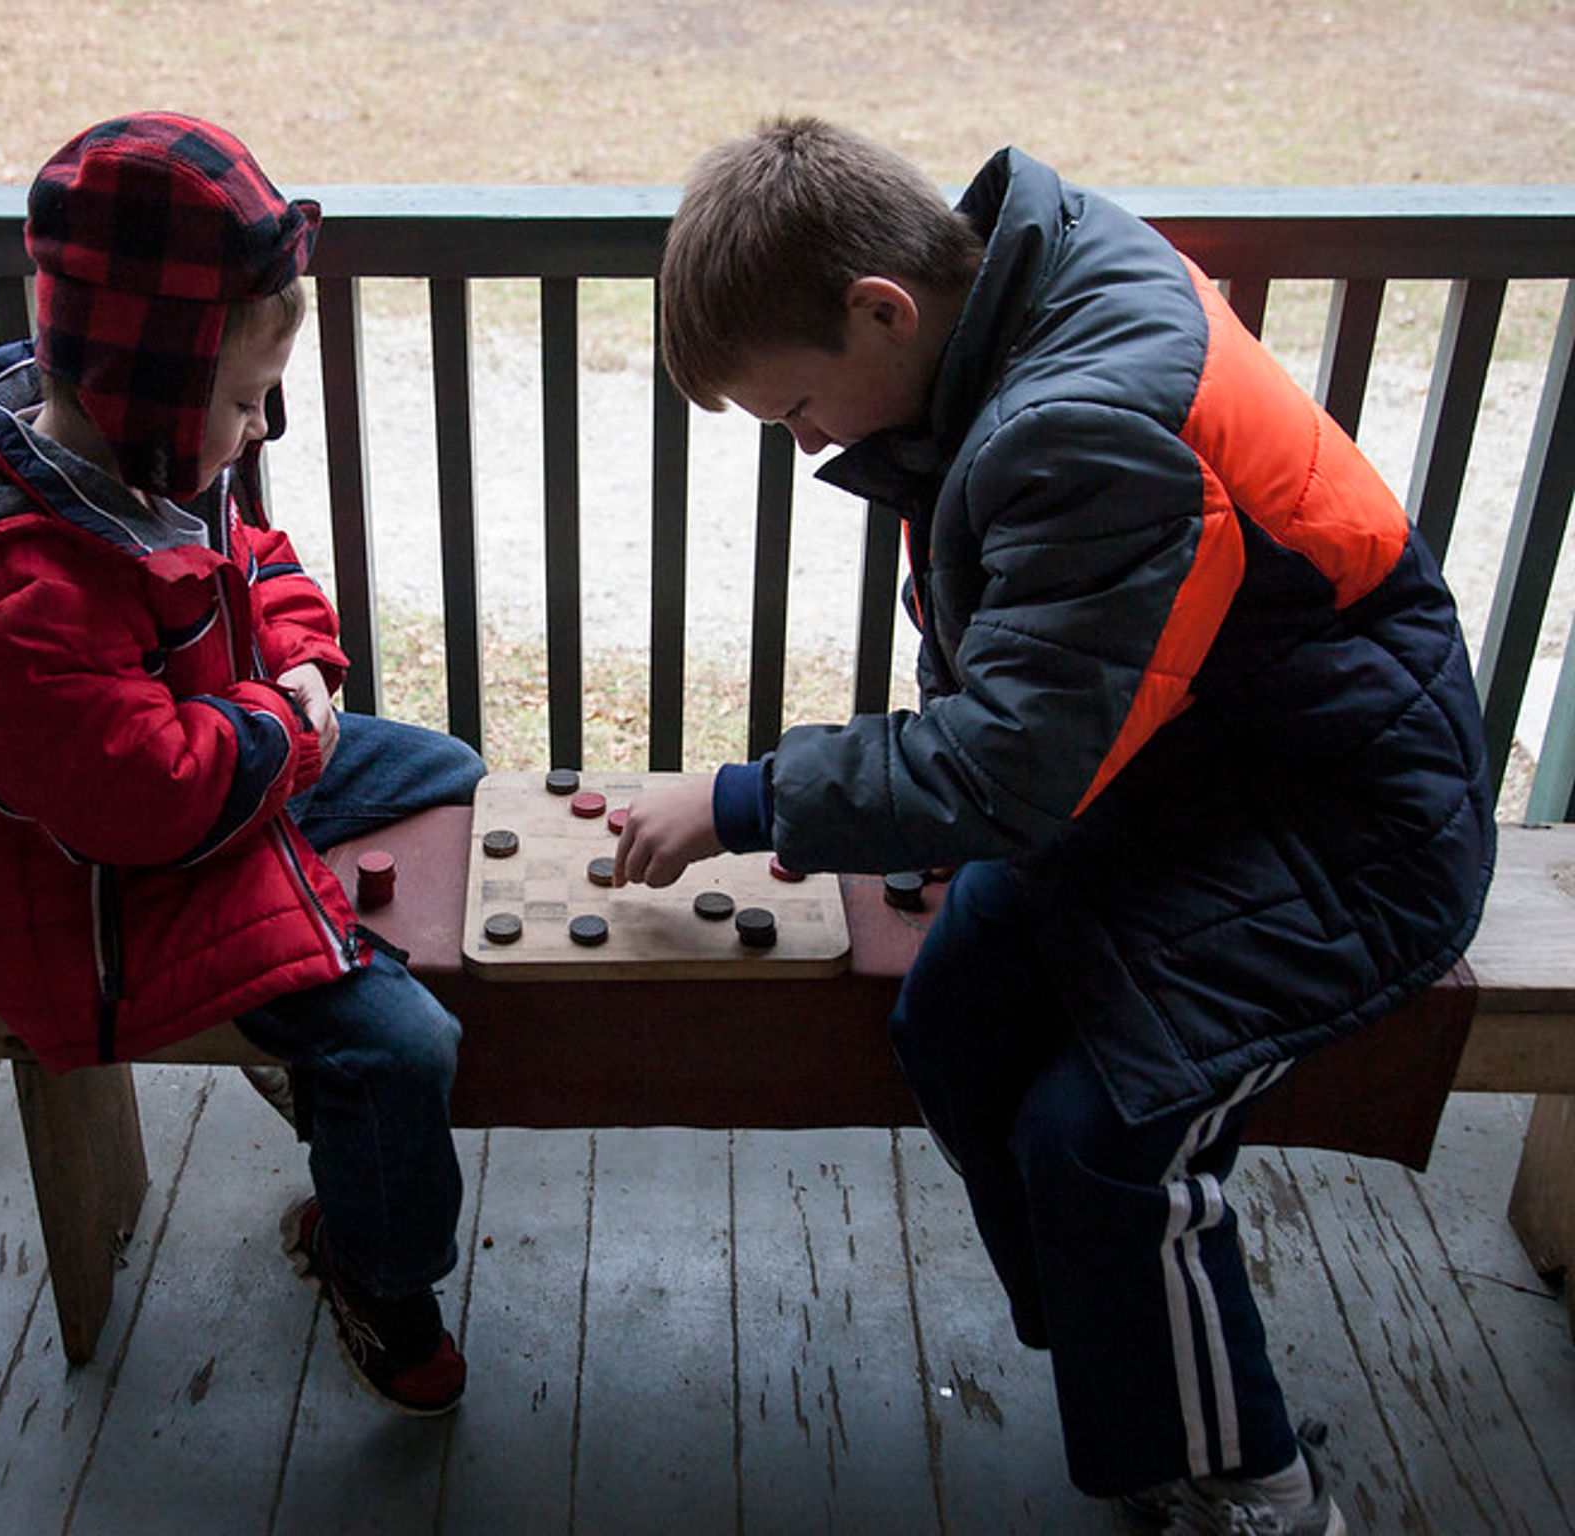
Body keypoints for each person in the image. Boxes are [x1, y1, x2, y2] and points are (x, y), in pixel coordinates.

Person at [614, 117, 1493, 1532]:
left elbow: (1017, 762)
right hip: (1176, 771)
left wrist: (743, 800)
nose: (806, 446)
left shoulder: (1083, 423)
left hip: (1344, 814)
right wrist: (930, 790)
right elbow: (1036, 659)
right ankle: (1122, 1347)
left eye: (790, 412)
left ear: (880, 309)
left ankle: (1257, 1486)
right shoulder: (1022, 285)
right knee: (951, 1018)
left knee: (1106, 1151)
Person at [0, 112, 483, 1416]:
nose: (255, 433)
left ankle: (323, 1067)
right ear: (153, 383)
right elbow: (148, 803)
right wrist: (293, 729)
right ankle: (377, 1269)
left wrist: (296, 665)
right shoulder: (14, 590)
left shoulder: (143, 449)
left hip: (209, 762)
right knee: (400, 1048)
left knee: (446, 771)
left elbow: (255, 564)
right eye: (245, 402)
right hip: (86, 881)